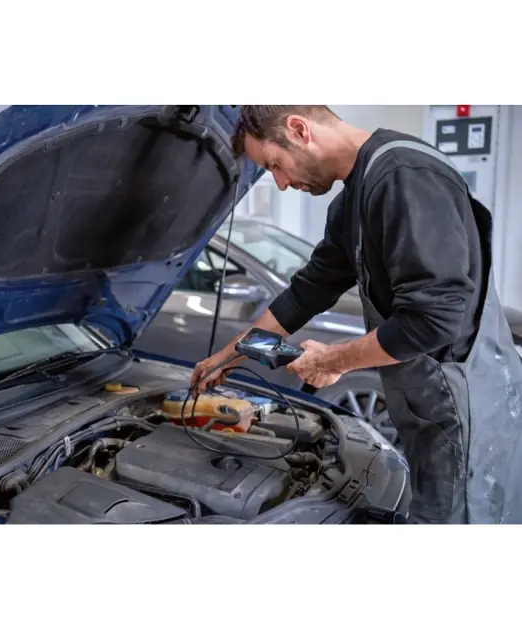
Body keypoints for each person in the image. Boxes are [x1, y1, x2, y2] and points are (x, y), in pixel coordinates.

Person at [191, 105, 522, 524]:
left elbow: (435, 318)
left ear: (299, 130)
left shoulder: (404, 177)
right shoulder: (355, 198)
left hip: (464, 412)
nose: (281, 183)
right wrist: (230, 355)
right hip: (430, 407)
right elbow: (309, 290)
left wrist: (333, 361)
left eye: (274, 164)